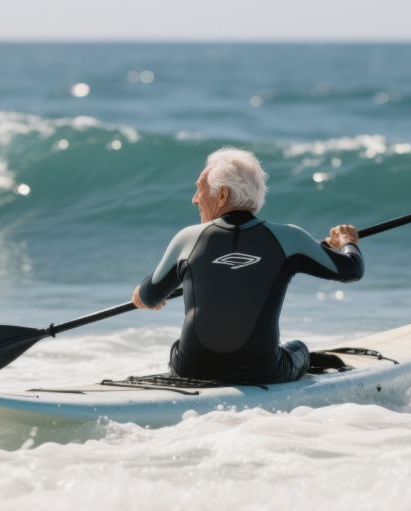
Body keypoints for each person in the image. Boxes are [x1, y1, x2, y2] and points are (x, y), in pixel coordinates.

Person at [132, 147, 363, 384]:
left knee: (178, 347)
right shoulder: (291, 238)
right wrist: (347, 241)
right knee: (298, 348)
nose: (194, 199)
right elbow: (351, 269)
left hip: (192, 369)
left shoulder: (187, 238)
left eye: (199, 190)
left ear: (222, 195)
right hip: (263, 371)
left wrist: (144, 294)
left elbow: (149, 296)